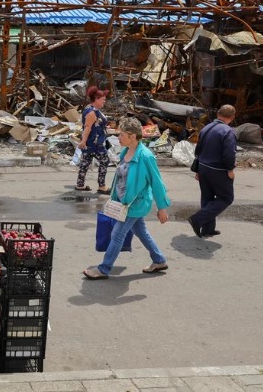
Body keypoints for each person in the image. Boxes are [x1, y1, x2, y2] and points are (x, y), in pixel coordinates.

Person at [83, 117, 170, 279]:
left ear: (132, 136)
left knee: (117, 235)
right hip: (123, 202)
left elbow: (157, 183)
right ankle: (159, 260)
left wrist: (162, 208)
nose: (118, 138)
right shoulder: (125, 151)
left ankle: (104, 268)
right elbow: (121, 178)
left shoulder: (146, 156)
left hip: (134, 204)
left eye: (121, 135)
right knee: (141, 231)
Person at [188, 105, 237, 238]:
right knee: (226, 198)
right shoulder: (228, 131)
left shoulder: (206, 128)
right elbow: (229, 155)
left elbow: (198, 150)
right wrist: (230, 170)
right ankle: (197, 219)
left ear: (218, 114)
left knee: (207, 198)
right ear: (232, 118)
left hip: (203, 167)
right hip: (218, 170)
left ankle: (207, 229)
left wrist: (198, 170)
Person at [76, 86, 111, 194]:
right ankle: (102, 186)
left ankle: (80, 185)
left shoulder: (92, 109)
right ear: (96, 98)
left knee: (85, 162)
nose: (104, 101)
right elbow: (87, 127)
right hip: (95, 143)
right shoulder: (91, 112)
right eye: (103, 100)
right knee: (105, 161)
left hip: (91, 142)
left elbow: (95, 125)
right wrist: (83, 141)